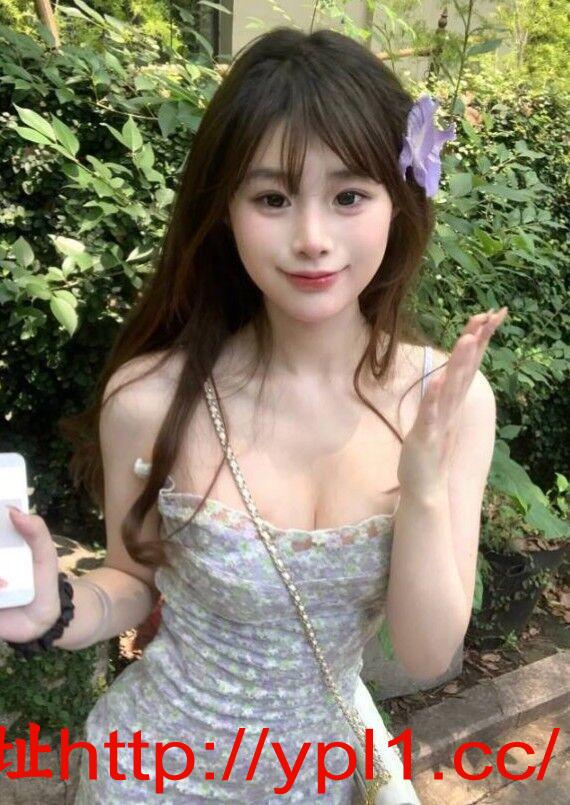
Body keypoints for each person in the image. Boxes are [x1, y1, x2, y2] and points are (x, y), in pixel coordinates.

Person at [1, 26, 507, 803]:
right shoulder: (150, 399)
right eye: (272, 198)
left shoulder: (449, 403)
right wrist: (55, 610)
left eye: (349, 196)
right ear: (226, 211)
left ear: (399, 200)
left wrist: (424, 483)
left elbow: (426, 649)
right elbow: (132, 579)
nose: (312, 239)